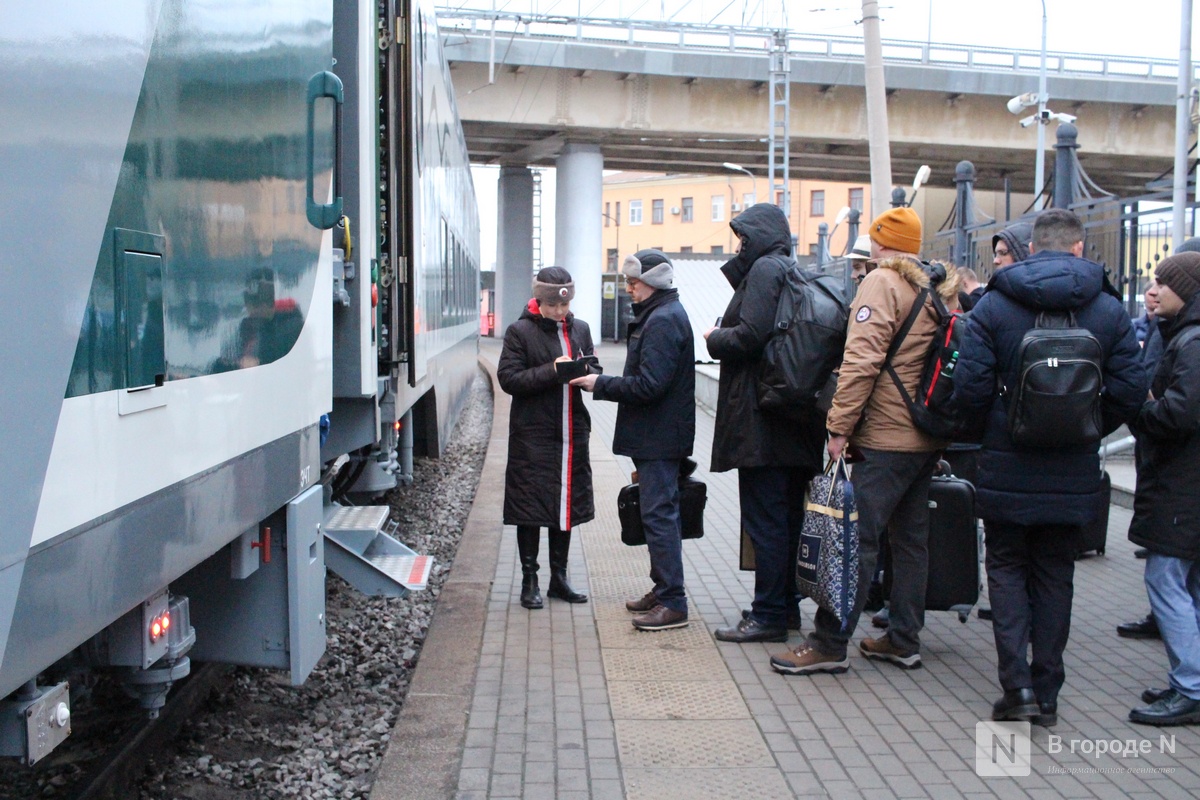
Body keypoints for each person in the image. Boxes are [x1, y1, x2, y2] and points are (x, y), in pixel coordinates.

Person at [953, 208, 1145, 727]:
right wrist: (1086, 427)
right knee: (1056, 576)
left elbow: (968, 389)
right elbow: (1131, 390)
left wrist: (998, 427)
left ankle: (1015, 688)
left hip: (1005, 464)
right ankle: (1049, 692)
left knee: (1008, 569)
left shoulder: (993, 306)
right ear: (1079, 249)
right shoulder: (1108, 310)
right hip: (1073, 469)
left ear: (1031, 249)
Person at [770, 206, 959, 675]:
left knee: (856, 541)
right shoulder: (933, 288)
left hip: (887, 438)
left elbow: (861, 362)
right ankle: (903, 638)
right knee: (912, 542)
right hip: (924, 436)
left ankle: (830, 643)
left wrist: (838, 427)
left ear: (880, 243)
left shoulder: (882, 282)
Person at [704, 203, 826, 643]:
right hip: (795, 419)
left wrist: (715, 337)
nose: (739, 247)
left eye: (742, 238)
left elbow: (750, 336)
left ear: (757, 236)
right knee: (788, 519)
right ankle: (786, 606)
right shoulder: (793, 270)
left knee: (767, 522)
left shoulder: (764, 271)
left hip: (763, 421)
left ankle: (769, 615)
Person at [573, 250, 696, 631]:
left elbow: (650, 385)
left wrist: (600, 384)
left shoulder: (662, 321)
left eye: (634, 283)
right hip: (658, 435)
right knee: (656, 514)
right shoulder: (661, 315)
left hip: (659, 438)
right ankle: (663, 591)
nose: (628, 290)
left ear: (653, 283)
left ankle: (673, 602)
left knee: (659, 517)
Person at [1126, 251, 1200, 726]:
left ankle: (1191, 686)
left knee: (1165, 579)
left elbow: (1181, 412)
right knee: (1187, 584)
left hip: (1184, 484)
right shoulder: (1185, 336)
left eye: (1162, 283)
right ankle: (1188, 680)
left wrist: (1142, 408)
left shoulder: (1192, 342)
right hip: (1183, 481)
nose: (1153, 290)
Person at [497, 267, 597, 610]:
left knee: (564, 506)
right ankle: (530, 579)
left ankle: (560, 578)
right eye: (553, 305)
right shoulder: (519, 332)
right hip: (533, 434)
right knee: (531, 507)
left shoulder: (580, 329)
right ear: (538, 300)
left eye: (565, 306)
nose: (560, 312)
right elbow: (509, 379)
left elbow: (589, 365)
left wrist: (589, 372)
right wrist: (553, 371)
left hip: (571, 432)